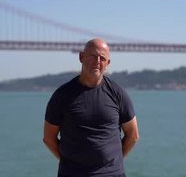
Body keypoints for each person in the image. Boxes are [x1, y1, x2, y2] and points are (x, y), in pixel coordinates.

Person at [43, 38, 139, 176]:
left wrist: (114, 163)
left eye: (102, 58)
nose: (97, 61)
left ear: (108, 63)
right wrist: (70, 163)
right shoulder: (62, 96)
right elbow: (48, 138)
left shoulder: (118, 94)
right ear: (81, 57)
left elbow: (133, 135)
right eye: (93, 56)